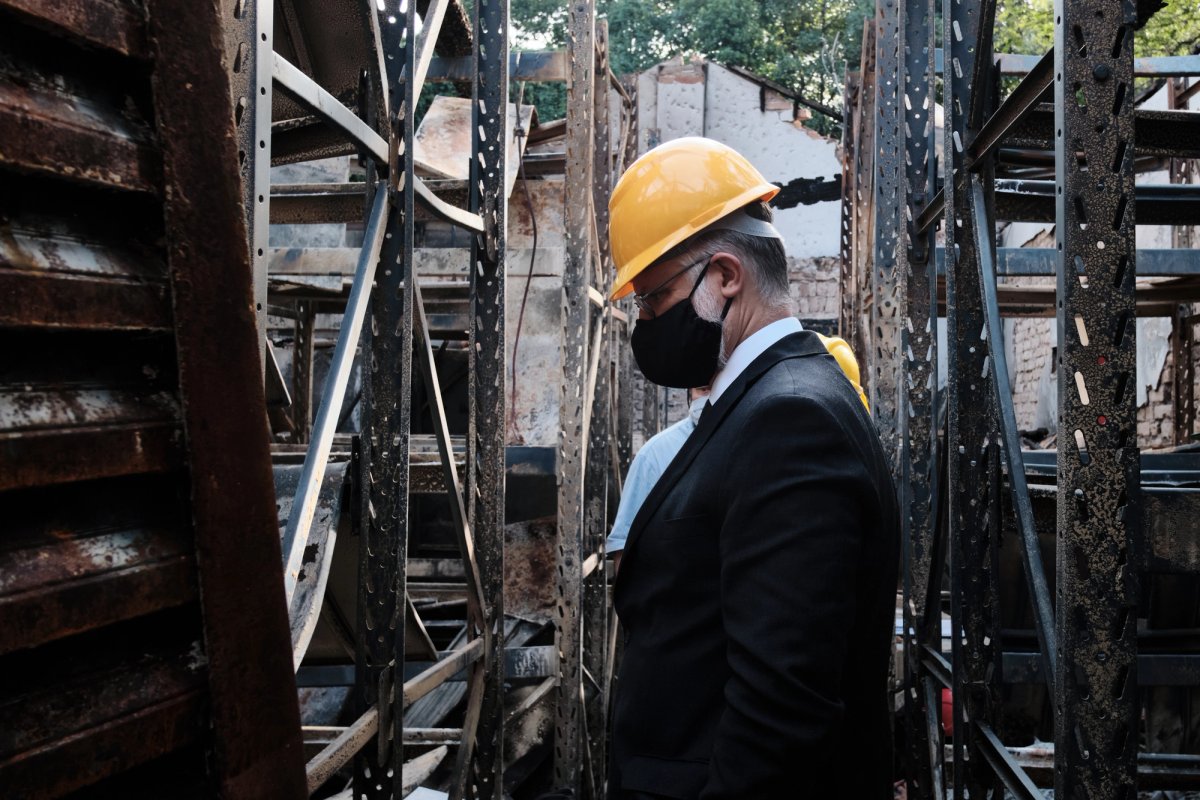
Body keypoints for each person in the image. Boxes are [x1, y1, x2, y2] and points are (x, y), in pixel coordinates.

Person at [606, 137, 900, 800]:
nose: (646, 323)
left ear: (726, 277)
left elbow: (778, 718)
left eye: (652, 300)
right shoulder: (760, 407)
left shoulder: (790, 420)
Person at [608, 387, 710, 575]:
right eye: (704, 389)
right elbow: (625, 544)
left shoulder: (757, 446)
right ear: (689, 394)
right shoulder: (655, 455)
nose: (712, 397)